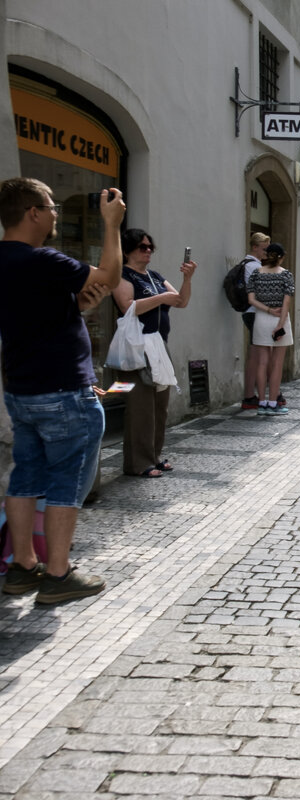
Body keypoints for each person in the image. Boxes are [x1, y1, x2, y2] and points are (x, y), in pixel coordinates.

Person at [0, 177, 124, 604]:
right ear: (32, 212)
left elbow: (29, 314)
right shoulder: (43, 260)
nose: (56, 213)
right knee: (65, 484)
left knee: (25, 478)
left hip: (22, 389)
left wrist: (75, 308)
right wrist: (112, 224)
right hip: (64, 389)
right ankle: (58, 573)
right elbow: (110, 275)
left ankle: (22, 567)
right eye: (51, 206)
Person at [112, 228, 194, 475]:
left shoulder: (154, 276)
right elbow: (127, 306)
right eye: (142, 247)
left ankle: (154, 455)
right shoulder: (122, 275)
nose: (148, 251)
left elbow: (180, 301)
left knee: (160, 405)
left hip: (158, 346)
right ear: (128, 251)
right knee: (140, 406)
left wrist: (187, 279)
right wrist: (160, 298)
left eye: (150, 247)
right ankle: (138, 463)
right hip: (136, 348)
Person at [246, 243, 294, 415]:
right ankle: (273, 403)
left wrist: (267, 310)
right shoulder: (286, 275)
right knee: (277, 364)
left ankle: (262, 403)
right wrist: (280, 324)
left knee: (262, 362)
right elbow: (286, 302)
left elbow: (251, 300)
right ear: (281, 257)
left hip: (261, 318)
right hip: (280, 319)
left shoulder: (256, 274)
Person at [239, 232, 270, 409]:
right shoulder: (254, 266)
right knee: (257, 356)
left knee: (255, 354)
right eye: (264, 248)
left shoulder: (249, 264)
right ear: (255, 247)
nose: (266, 252)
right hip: (255, 313)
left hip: (250, 313)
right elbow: (261, 292)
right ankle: (250, 396)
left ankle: (251, 395)